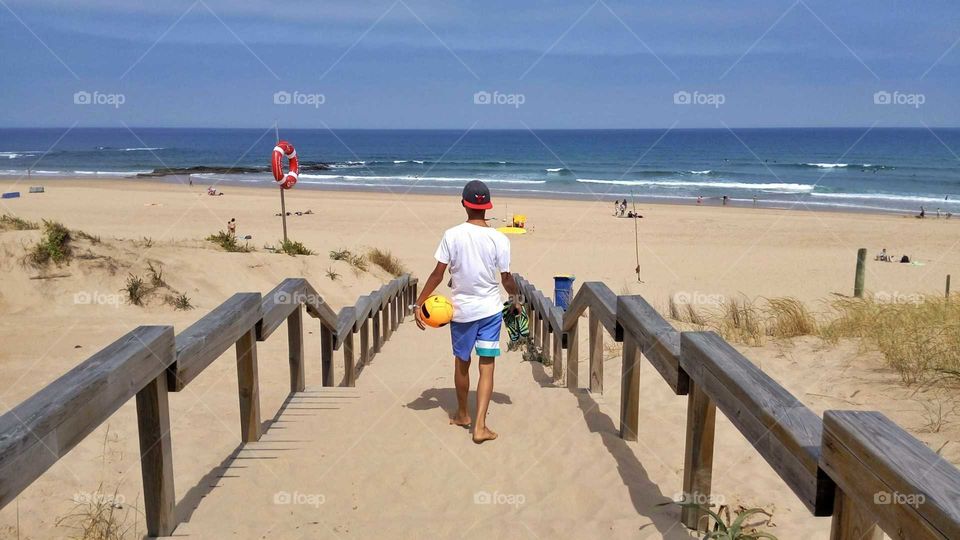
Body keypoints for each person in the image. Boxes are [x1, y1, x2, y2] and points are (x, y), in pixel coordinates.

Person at [414, 180, 520, 444]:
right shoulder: (500, 239)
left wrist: (419, 303)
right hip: (491, 310)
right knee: (487, 365)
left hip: (461, 312)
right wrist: (516, 298)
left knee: (463, 362)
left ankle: (463, 414)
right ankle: (481, 426)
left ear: (464, 204)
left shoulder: (452, 235)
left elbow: (438, 274)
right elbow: (506, 278)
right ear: (488, 207)